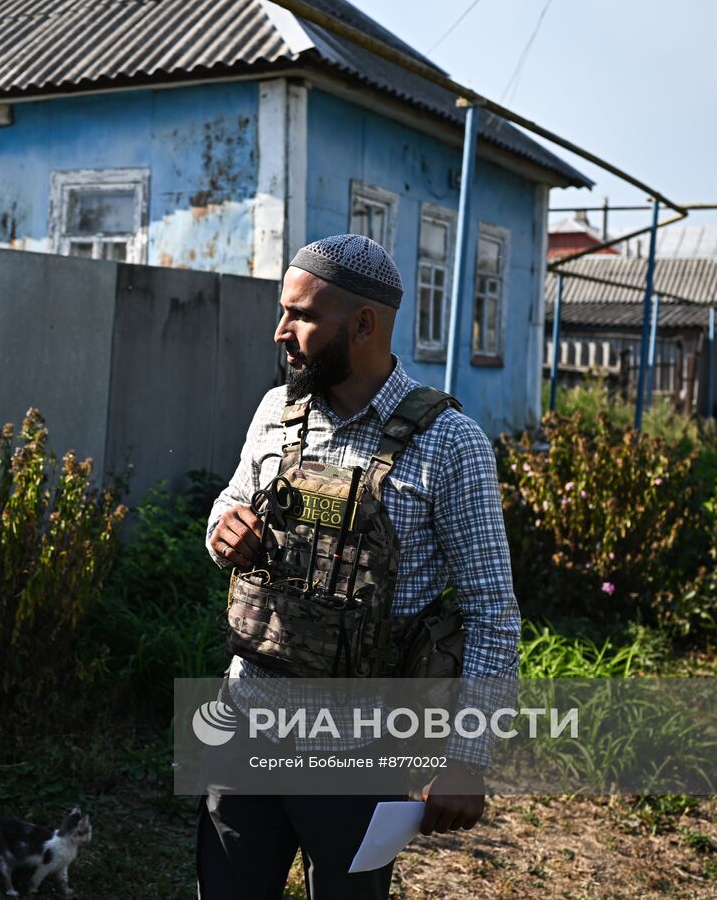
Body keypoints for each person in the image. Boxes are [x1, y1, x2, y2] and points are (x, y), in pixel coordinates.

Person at [198, 234, 521, 899]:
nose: (281, 331)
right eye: (284, 311)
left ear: (364, 324)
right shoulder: (274, 411)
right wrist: (222, 529)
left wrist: (468, 756)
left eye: (302, 316)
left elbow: (493, 608)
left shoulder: (448, 442)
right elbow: (228, 502)